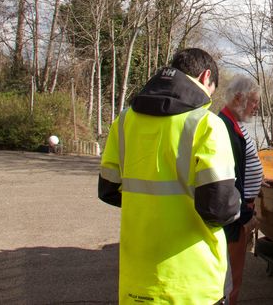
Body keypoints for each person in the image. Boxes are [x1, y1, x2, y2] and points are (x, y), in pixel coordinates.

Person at [98, 48, 241, 305]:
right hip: (194, 282)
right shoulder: (207, 125)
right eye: (212, 89)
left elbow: (108, 189)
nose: (209, 97)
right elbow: (219, 210)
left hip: (136, 279)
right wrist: (239, 204)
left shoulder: (123, 121)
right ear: (205, 76)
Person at [218, 75, 263, 305]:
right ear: (238, 98)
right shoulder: (225, 128)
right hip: (236, 216)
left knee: (235, 277)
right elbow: (229, 178)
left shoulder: (234, 124)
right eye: (253, 101)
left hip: (242, 211)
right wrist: (244, 213)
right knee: (231, 280)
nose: (256, 107)